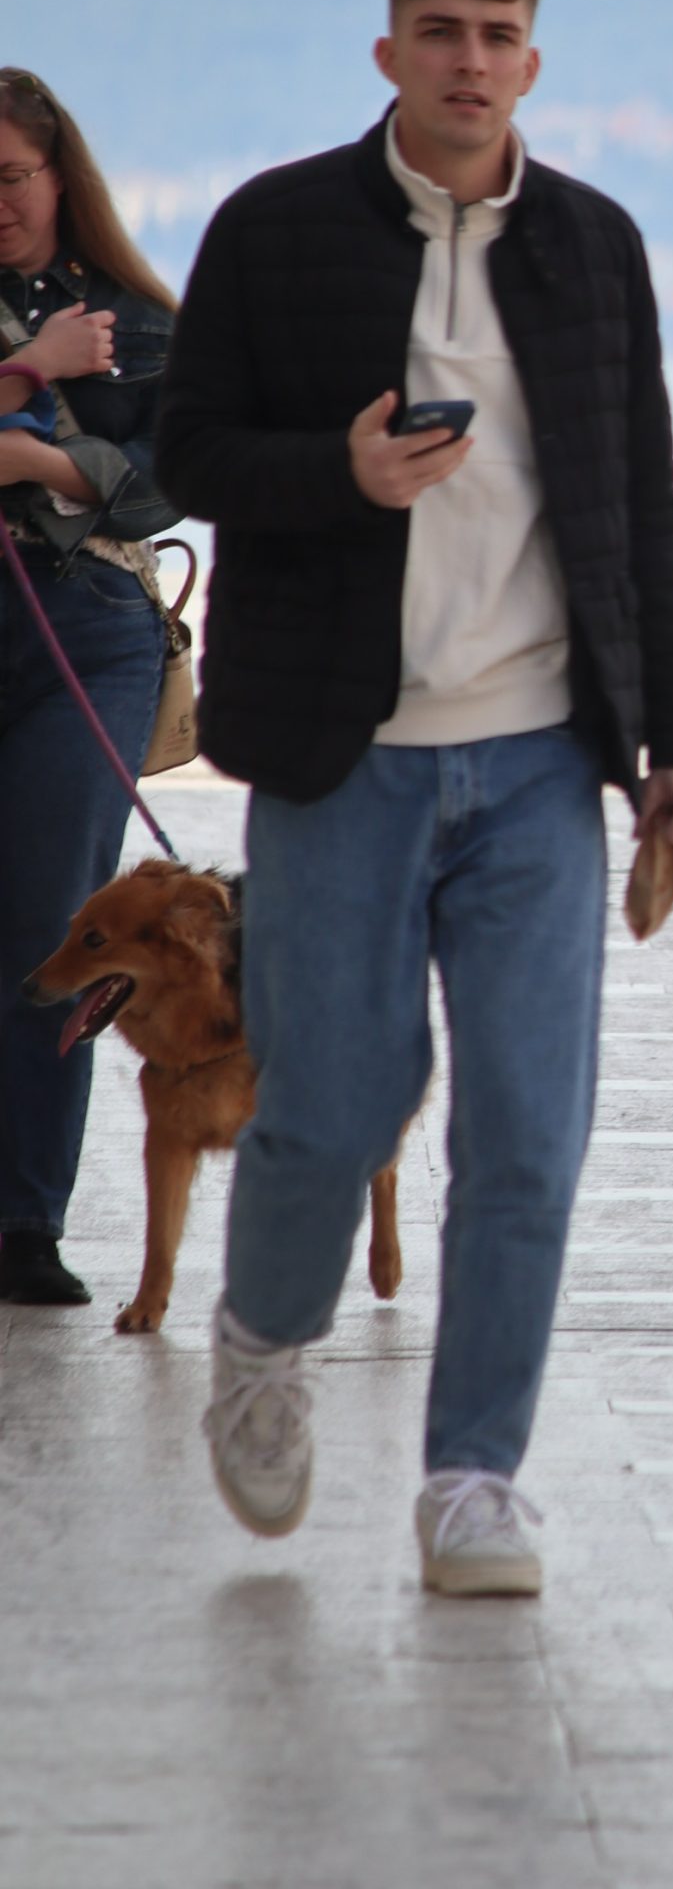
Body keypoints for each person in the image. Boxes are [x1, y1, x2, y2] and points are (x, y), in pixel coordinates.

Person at [155, 0, 673, 1596]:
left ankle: (475, 1475)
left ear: (531, 62)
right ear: (389, 52)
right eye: (440, 30)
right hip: (344, 757)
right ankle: (265, 1339)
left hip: (540, 759)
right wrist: (335, 476)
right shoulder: (273, 229)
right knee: (330, 1111)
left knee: (530, 1136)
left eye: (496, 34)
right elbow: (188, 454)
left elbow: (640, 505)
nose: (469, 59)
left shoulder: (594, 245)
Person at [0, 68, 178, 1306]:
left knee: (58, 923)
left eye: (11, 178)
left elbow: (166, 481)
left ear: (60, 176)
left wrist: (32, 461)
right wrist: (28, 370)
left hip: (91, 626)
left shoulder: (136, 318)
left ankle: (24, 1219)